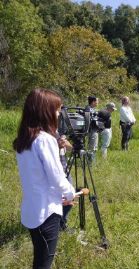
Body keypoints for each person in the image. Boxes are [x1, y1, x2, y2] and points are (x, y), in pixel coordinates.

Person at [13, 89, 77, 269]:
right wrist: (70, 193)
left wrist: (61, 196)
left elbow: (39, 178)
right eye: (57, 109)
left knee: (40, 259)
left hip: (31, 210)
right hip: (46, 214)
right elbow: (57, 178)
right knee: (43, 263)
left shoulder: (24, 140)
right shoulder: (45, 140)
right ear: (46, 111)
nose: (58, 114)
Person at [85, 96, 99, 163]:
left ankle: (91, 162)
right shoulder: (88, 109)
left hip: (94, 130)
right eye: (97, 101)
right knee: (92, 147)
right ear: (93, 102)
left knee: (93, 147)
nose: (97, 103)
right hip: (92, 131)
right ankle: (91, 163)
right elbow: (89, 121)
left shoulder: (91, 109)